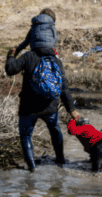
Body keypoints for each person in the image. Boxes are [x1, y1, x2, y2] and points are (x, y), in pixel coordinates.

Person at [5, 40, 82, 172]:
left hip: (28, 107)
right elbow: (64, 88)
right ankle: (60, 160)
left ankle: (31, 168)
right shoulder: (56, 61)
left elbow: (10, 70)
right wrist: (72, 110)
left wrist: (11, 56)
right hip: (50, 107)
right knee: (55, 130)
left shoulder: (29, 56)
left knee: (26, 136)